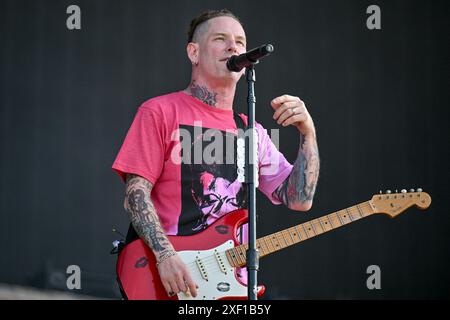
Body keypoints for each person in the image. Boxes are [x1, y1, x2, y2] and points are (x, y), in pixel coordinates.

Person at [112, 9, 320, 299]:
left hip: (233, 289)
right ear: (193, 53)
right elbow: (136, 195)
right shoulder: (159, 112)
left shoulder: (253, 132)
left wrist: (307, 133)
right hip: (171, 279)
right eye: (220, 39)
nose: (233, 47)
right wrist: (164, 256)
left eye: (239, 41)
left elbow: (299, 199)